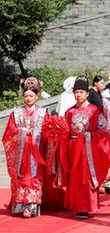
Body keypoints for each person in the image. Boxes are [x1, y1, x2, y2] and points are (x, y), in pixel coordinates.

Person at [64, 76, 110, 219]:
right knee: (76, 178)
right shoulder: (69, 112)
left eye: (81, 92)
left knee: (86, 178)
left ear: (87, 94)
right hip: (73, 148)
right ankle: (77, 205)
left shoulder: (94, 111)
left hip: (88, 150)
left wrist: (87, 135)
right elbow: (65, 131)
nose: (78, 95)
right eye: (76, 92)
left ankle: (86, 207)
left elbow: (103, 131)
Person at [2, 77, 47, 218]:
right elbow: (8, 134)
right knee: (19, 177)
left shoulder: (43, 112)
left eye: (31, 96)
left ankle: (31, 205)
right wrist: (22, 132)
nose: (28, 98)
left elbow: (47, 132)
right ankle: (19, 203)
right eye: (26, 96)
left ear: (37, 96)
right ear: (22, 96)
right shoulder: (15, 113)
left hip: (36, 152)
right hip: (20, 153)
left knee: (35, 177)